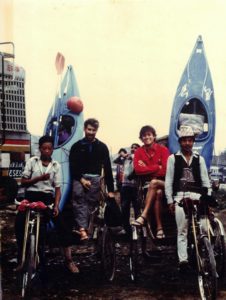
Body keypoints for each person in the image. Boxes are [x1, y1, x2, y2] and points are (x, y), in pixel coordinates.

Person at [15, 135, 79, 274]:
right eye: (44, 148)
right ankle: (21, 260)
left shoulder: (56, 165)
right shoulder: (32, 161)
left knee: (63, 226)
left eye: (49, 148)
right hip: (31, 197)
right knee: (19, 224)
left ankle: (69, 261)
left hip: (47, 199)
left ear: (52, 149)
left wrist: (56, 206)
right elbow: (23, 182)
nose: (47, 151)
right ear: (40, 149)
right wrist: (39, 178)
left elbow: (57, 189)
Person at [165, 125, 211, 271]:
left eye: (190, 140)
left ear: (193, 142)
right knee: (182, 230)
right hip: (180, 197)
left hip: (197, 196)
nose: (187, 143)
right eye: (184, 140)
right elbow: (168, 181)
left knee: (204, 228)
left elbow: (205, 181)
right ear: (180, 142)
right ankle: (183, 260)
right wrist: (170, 201)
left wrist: (207, 198)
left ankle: (205, 254)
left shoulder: (200, 159)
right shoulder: (173, 159)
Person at [69, 118, 115, 241]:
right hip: (80, 177)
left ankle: (88, 229)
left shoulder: (102, 147)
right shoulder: (76, 146)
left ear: (97, 130)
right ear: (84, 129)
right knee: (78, 199)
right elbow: (72, 166)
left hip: (95, 179)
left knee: (92, 204)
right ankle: (82, 229)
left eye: (93, 130)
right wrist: (81, 180)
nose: (91, 132)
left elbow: (108, 169)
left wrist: (110, 190)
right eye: (89, 129)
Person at [132, 125, 170, 239]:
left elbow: (165, 170)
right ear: (141, 138)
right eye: (144, 135)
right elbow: (138, 171)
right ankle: (159, 228)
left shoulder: (163, 150)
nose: (147, 137)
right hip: (147, 186)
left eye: (149, 135)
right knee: (158, 192)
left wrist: (147, 168)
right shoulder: (138, 151)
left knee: (154, 183)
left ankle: (143, 215)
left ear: (154, 136)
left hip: (165, 183)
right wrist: (156, 167)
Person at [120, 143, 140, 235]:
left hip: (135, 187)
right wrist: (122, 154)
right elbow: (117, 160)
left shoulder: (137, 158)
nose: (133, 149)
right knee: (124, 208)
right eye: (132, 147)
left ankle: (139, 227)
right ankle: (125, 228)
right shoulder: (126, 159)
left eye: (135, 148)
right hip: (125, 186)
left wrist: (131, 155)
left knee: (137, 207)